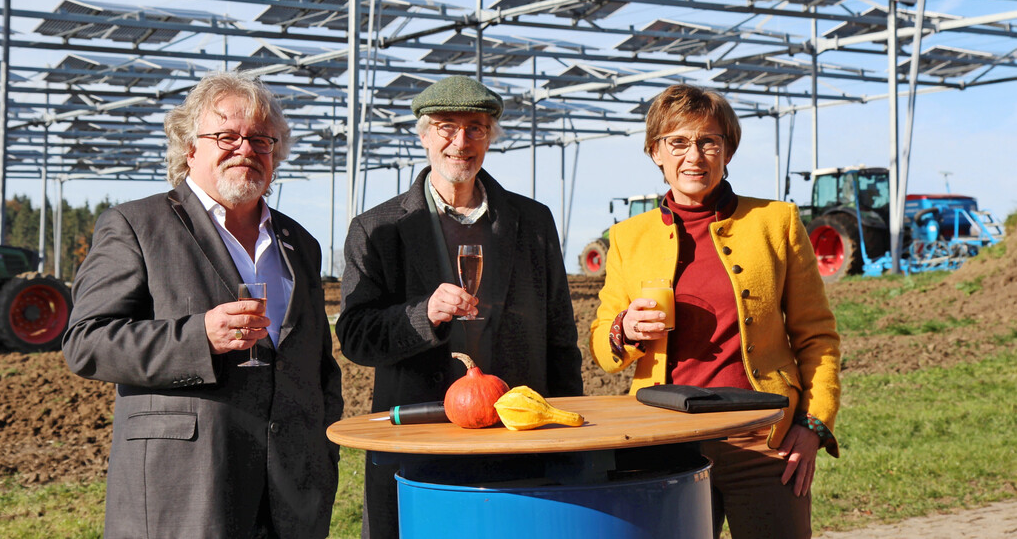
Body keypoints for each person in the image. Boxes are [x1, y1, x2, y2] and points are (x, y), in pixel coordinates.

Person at [63, 72, 342, 539]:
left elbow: (319, 365)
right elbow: (86, 342)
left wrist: (322, 451)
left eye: (261, 140)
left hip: (291, 493)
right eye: (226, 136)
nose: (245, 149)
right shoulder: (137, 225)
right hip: (187, 487)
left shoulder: (300, 243)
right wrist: (200, 337)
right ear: (190, 147)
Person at [336, 75, 584, 539]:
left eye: (476, 128)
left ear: (490, 137)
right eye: (446, 127)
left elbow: (560, 335)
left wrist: (573, 436)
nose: (461, 142)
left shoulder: (533, 221)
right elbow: (355, 336)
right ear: (424, 136)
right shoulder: (377, 228)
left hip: (518, 438)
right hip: (419, 440)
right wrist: (423, 314)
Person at [589, 84, 840, 539]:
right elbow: (606, 350)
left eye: (709, 142)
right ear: (655, 152)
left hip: (764, 439)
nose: (694, 156)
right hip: (663, 440)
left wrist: (812, 424)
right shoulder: (627, 237)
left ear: (728, 151)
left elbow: (817, 335)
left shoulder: (776, 222)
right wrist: (625, 329)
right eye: (677, 142)